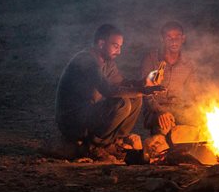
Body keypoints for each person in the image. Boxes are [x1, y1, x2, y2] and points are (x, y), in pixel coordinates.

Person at [55, 24, 163, 159]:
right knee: (122, 103)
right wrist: (143, 90)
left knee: (135, 98)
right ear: (101, 44)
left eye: (120, 47)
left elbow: (121, 83)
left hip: (89, 113)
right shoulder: (87, 61)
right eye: (115, 46)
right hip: (74, 119)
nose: (119, 52)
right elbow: (108, 91)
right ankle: (95, 145)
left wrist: (144, 83)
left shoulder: (107, 63)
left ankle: (116, 141)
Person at [140, 21, 198, 136]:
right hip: (155, 110)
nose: (174, 41)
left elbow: (193, 92)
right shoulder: (151, 59)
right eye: (169, 37)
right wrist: (160, 112)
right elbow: (146, 92)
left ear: (183, 38)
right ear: (162, 39)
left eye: (177, 37)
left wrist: (201, 108)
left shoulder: (188, 63)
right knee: (164, 129)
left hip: (178, 108)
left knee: (198, 127)